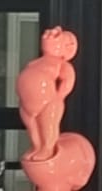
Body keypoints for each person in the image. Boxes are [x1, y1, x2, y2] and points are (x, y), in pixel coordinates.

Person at [16, 27, 78, 161]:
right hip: (27, 104)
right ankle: (36, 146)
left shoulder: (60, 64)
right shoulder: (35, 62)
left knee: (48, 126)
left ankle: (47, 149)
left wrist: (59, 96)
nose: (49, 35)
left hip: (49, 102)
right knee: (32, 127)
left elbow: (68, 79)